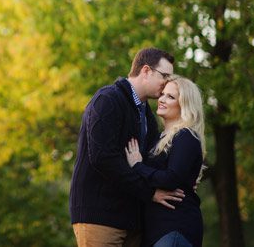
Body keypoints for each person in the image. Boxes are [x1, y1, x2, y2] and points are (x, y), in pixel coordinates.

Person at [69, 47, 185, 247]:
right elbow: (103, 157)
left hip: (132, 218)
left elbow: (151, 161)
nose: (167, 83)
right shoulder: (108, 100)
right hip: (100, 216)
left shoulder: (147, 114)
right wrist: (149, 193)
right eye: (164, 76)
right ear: (146, 71)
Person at [125, 76, 206, 247]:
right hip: (156, 231)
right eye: (162, 94)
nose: (161, 99)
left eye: (171, 96)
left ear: (184, 104)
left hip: (174, 228)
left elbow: (171, 179)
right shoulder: (158, 139)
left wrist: (138, 166)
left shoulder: (186, 136)